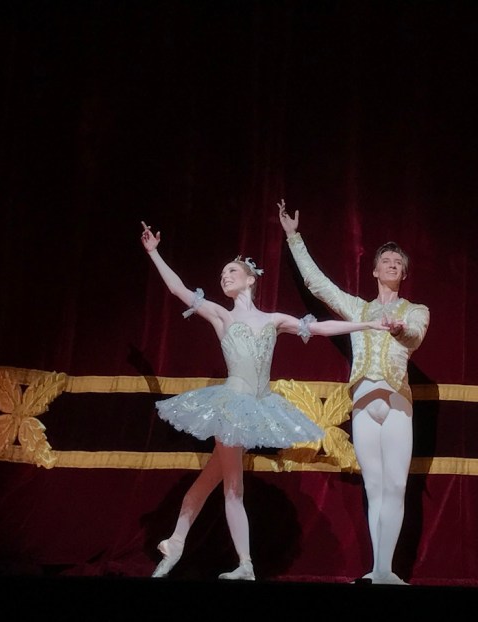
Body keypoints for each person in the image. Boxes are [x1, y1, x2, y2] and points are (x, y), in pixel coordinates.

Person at [140, 220, 391, 581]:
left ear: (250, 279)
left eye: (231, 271)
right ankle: (244, 564)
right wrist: (154, 253)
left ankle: (177, 541)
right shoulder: (221, 317)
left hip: (257, 404)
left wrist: (367, 326)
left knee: (210, 480)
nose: (224, 276)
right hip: (231, 407)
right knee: (233, 487)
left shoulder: (273, 320)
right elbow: (179, 289)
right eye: (222, 273)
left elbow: (320, 329)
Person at [277, 200, 430, 585]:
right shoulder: (358, 309)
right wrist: (294, 237)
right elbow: (318, 285)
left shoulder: (416, 311)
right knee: (374, 487)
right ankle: (379, 571)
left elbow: (415, 336)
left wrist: (399, 330)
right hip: (363, 405)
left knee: (396, 486)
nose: (392, 264)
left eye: (399, 262)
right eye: (387, 260)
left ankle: (385, 571)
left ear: (404, 273)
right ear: (375, 270)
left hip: (396, 405)